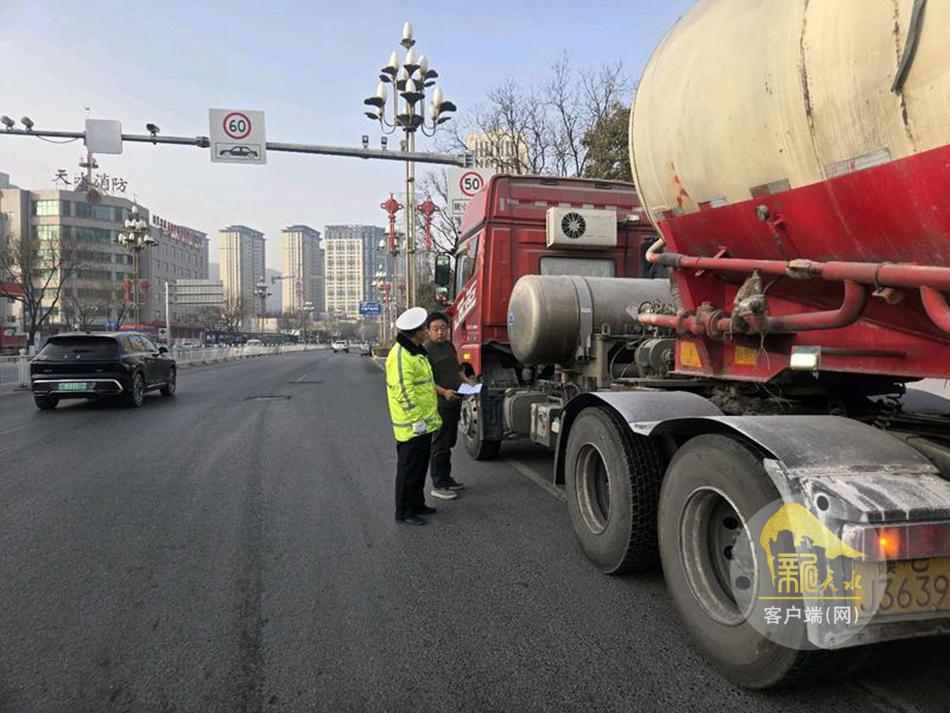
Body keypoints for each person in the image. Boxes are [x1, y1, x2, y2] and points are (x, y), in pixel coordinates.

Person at [385, 307, 442, 526]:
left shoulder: (415, 351)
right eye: (424, 329)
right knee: (408, 470)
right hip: (412, 426)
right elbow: (404, 392)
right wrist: (416, 419)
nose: (427, 331)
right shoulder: (401, 355)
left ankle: (417, 504)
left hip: (423, 423)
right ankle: (404, 511)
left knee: (419, 468)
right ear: (416, 332)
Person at [424, 311, 475, 500]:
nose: (440, 332)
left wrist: (468, 382)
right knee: (440, 444)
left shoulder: (449, 346)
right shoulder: (426, 350)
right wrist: (444, 392)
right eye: (435, 329)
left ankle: (447, 478)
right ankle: (438, 484)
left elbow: (457, 370)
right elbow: (426, 381)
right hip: (440, 405)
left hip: (454, 401)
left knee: (449, 442)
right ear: (428, 331)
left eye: (443, 328)